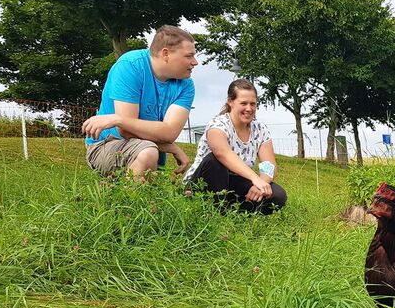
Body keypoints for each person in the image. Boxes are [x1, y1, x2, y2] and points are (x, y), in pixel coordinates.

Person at [82, 25, 197, 177]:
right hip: (106, 145)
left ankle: (123, 195)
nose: (195, 62)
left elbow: (169, 132)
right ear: (166, 54)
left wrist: (118, 119)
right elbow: (126, 131)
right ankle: (128, 200)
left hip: (151, 151)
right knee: (147, 152)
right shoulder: (130, 65)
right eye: (189, 56)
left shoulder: (186, 85)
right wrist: (171, 147)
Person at [183, 79, 287, 214]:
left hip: (236, 182)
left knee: (278, 195)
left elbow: (269, 164)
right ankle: (210, 208)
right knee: (214, 161)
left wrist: (261, 183)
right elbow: (223, 153)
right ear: (230, 102)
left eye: (253, 104)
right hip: (207, 179)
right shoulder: (218, 125)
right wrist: (254, 178)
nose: (249, 109)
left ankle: (235, 211)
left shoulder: (260, 129)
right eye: (243, 103)